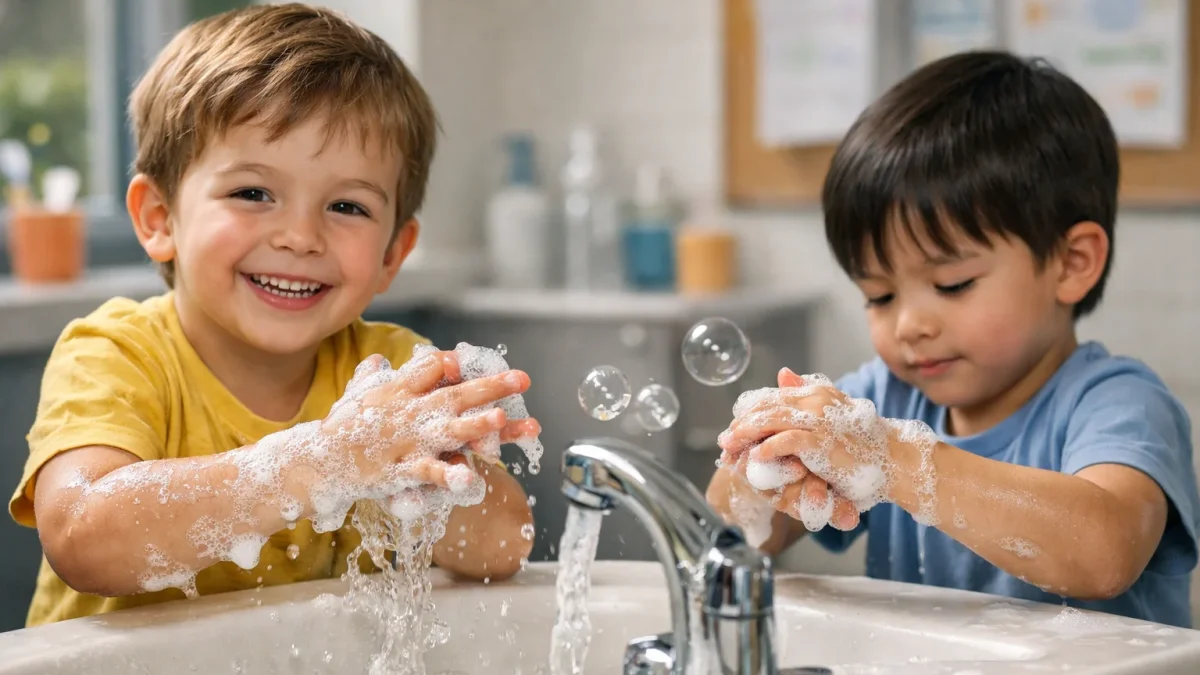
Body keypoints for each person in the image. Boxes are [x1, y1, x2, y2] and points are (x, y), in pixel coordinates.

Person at [7, 3, 538, 627]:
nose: (299, 235)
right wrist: (325, 461)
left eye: (347, 206)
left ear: (393, 252)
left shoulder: (389, 372)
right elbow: (82, 537)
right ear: (159, 219)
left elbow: (505, 547)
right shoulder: (117, 354)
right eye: (252, 193)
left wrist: (427, 476)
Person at [707, 50, 1200, 628]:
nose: (910, 324)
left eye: (952, 283)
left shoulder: (1117, 404)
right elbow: (734, 534)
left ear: (1071, 263)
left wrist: (900, 461)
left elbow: (1103, 553)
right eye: (880, 295)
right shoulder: (881, 401)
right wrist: (770, 466)